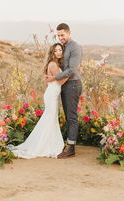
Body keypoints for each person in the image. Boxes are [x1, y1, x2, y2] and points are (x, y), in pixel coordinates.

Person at [11, 43, 68, 159]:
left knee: (50, 120)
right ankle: (42, 145)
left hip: (52, 94)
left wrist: (55, 78)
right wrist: (70, 73)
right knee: (49, 119)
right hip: (51, 95)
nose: (58, 52)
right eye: (56, 50)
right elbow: (61, 81)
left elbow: (55, 79)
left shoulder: (54, 64)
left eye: (60, 50)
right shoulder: (53, 64)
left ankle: (49, 143)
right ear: (52, 52)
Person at [46, 23, 83, 158]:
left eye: (62, 34)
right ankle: (68, 143)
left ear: (69, 33)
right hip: (65, 85)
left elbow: (72, 70)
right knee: (68, 116)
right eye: (58, 35)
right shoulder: (63, 47)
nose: (60, 37)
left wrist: (55, 77)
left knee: (72, 117)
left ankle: (71, 148)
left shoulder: (75, 47)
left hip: (73, 85)